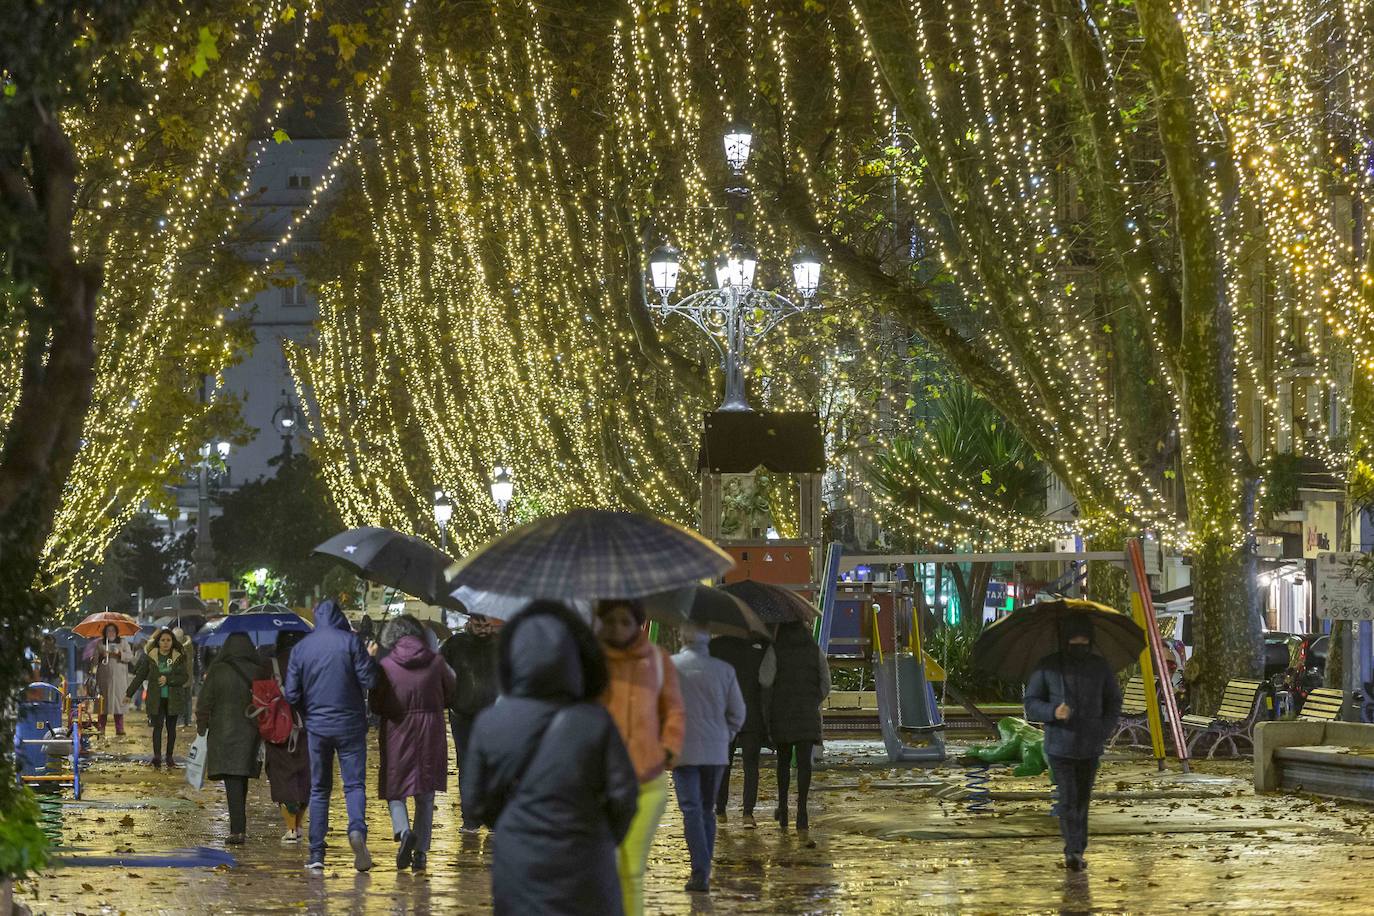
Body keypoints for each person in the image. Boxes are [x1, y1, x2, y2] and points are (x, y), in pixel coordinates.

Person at [463, 602, 639, 915]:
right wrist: (600, 834)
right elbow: (624, 795)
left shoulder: (491, 723)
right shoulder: (596, 720)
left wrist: (511, 822)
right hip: (588, 857)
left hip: (518, 861)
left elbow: (474, 802)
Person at [595, 599, 684, 916]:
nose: (618, 628)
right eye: (611, 621)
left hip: (647, 782)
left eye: (625, 621)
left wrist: (669, 747)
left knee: (630, 864)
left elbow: (673, 709)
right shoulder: (591, 662)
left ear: (637, 624)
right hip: (601, 783)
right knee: (605, 864)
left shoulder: (658, 661)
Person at [284, 599, 380, 872]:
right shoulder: (351, 643)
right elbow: (370, 681)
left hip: (317, 728)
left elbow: (291, 694)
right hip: (350, 725)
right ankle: (357, 830)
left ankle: (316, 853)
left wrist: (308, 713)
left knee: (320, 788)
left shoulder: (301, 648)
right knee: (354, 785)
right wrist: (370, 659)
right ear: (339, 617)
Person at [1023, 614, 1123, 871]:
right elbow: (1031, 703)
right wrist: (1054, 711)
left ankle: (1078, 847)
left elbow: (1113, 702)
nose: (1080, 644)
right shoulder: (1049, 666)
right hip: (1060, 746)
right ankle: (1073, 850)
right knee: (1068, 798)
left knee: (1082, 800)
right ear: (1066, 639)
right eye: (1075, 639)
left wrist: (1102, 729)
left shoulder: (1099, 667)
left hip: (1090, 745)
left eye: (1084, 640)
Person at [372, 615, 455, 872]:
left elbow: (375, 702)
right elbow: (451, 691)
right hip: (431, 730)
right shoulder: (437, 662)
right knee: (425, 794)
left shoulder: (386, 665)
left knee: (395, 788)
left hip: (397, 728)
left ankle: (403, 831)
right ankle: (421, 853)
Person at [671, 625, 745, 894]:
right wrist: (725, 735)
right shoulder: (724, 670)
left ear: (681, 637)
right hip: (715, 752)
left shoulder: (669, 668)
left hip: (682, 750)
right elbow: (738, 712)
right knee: (706, 809)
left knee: (690, 810)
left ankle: (700, 872)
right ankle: (703, 870)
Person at [762, 620, 830, 831]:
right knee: (804, 765)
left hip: (781, 713)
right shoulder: (814, 650)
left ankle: (783, 808)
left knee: (782, 762)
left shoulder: (775, 650)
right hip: (807, 714)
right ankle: (802, 811)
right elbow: (826, 683)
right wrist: (813, 700)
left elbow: (765, 679)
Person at [196, 633, 263, 845]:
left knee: (233, 778)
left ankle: (237, 831)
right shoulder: (258, 670)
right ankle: (239, 826)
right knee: (240, 776)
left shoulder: (217, 670)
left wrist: (201, 726)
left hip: (223, 731)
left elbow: (204, 701)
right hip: (251, 730)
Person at [441, 613, 501, 832]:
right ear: (469, 623)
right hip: (462, 715)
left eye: (487, 625)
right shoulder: (455, 644)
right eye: (479, 625)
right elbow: (441, 672)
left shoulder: (501, 646)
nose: (483, 629)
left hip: (495, 717)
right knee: (467, 766)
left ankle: (492, 817)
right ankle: (471, 819)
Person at [709, 633, 769, 825]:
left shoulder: (716, 648)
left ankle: (720, 810)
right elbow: (765, 684)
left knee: (724, 764)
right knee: (751, 766)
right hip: (752, 715)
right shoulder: (759, 648)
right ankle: (747, 814)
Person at [260, 630, 311, 844]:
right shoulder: (309, 664)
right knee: (305, 778)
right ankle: (299, 826)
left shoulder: (268, 666)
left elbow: (259, 701)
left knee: (282, 778)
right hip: (307, 729)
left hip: (277, 731)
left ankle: (290, 829)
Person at [125, 628, 190, 768]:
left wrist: (168, 680)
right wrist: (129, 694)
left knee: (171, 728)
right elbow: (140, 676)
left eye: (168, 640)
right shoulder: (151, 657)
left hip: (173, 699)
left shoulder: (178, 657)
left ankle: (169, 757)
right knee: (157, 727)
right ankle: (157, 756)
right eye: (163, 640)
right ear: (158, 642)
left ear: (173, 642)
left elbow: (184, 677)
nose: (166, 643)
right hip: (156, 698)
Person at [94, 624, 134, 736]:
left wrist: (119, 653)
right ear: (105, 633)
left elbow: (130, 656)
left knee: (119, 703)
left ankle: (120, 728)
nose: (111, 633)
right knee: (103, 703)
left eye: (113, 631)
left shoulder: (123, 642)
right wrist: (101, 655)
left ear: (116, 632)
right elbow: (94, 661)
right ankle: (101, 727)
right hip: (104, 678)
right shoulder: (100, 643)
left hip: (119, 678)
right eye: (108, 631)